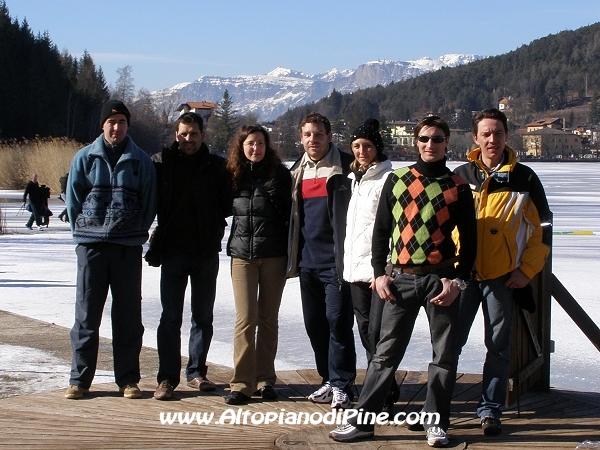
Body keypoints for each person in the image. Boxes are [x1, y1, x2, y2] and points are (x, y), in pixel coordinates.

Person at [330, 115, 477, 447]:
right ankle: (364, 421)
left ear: (447, 143)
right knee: (384, 354)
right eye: (424, 138)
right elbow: (381, 232)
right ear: (416, 141)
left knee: (444, 354)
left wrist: (457, 281)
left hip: (440, 281)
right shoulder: (396, 181)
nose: (430, 144)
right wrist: (380, 274)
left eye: (437, 139)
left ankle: (435, 421)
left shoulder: (457, 187)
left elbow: (469, 241)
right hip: (401, 279)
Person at [452, 108, 551, 436]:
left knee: (497, 346)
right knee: (450, 342)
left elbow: (543, 229)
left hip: (501, 276)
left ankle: (490, 410)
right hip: (463, 276)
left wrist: (528, 269)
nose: (492, 139)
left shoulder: (525, 178)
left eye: (498, 133)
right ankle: (438, 407)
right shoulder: (460, 176)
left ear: (507, 136)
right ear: (475, 138)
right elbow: (441, 225)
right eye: (486, 134)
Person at [64, 100, 157, 400]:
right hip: (91, 249)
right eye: (111, 122)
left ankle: (128, 380)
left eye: (122, 122)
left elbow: (149, 203)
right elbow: (73, 199)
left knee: (128, 317)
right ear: (103, 125)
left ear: (127, 126)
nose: (116, 127)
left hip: (127, 249)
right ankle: (80, 380)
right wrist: (84, 232)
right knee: (86, 317)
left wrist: (133, 229)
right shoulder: (84, 158)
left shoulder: (140, 161)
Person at [146, 112, 231, 401]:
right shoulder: (160, 163)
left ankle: (196, 372)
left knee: (202, 317)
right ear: (176, 134)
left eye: (194, 134)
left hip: (206, 251)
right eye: (183, 134)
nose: (188, 139)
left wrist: (215, 225)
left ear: (202, 135)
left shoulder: (217, 167)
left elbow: (228, 204)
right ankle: (167, 379)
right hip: (173, 251)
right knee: (169, 318)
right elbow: (146, 197)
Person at [287, 112, 356, 409]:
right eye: (308, 135)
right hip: (307, 261)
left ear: (329, 137)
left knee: (338, 321)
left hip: (337, 261)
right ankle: (328, 378)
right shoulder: (297, 170)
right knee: (314, 323)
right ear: (301, 138)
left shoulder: (346, 167)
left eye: (318, 134)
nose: (313, 140)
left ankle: (343, 383)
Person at [223, 125, 292, 405]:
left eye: (261, 143)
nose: (256, 148)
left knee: (268, 319)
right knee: (245, 319)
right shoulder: (232, 175)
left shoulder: (280, 175)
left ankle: (265, 380)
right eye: (251, 143)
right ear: (242, 146)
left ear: (268, 145)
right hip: (242, 257)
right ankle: (241, 382)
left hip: (274, 255)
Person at [342, 119, 398, 410]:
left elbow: (390, 226)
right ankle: (383, 391)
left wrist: (384, 269)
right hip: (355, 270)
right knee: (365, 332)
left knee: (378, 333)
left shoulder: (388, 179)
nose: (361, 151)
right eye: (356, 146)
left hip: (379, 271)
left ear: (377, 148)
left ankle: (381, 394)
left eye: (367, 146)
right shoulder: (356, 179)